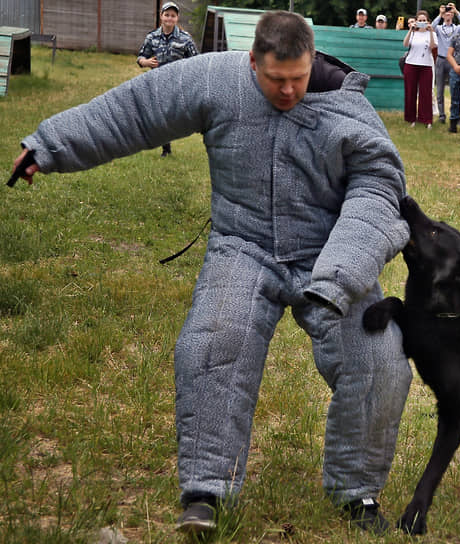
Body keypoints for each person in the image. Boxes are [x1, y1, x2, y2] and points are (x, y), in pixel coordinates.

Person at [12, 10, 412, 537]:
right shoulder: (215, 79)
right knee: (212, 344)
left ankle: (356, 493)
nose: (288, 90)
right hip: (242, 247)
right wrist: (49, 146)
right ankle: (206, 491)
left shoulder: (349, 109)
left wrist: (339, 275)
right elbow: (136, 110)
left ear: (311, 61)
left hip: (331, 255)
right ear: (252, 62)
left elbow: (380, 192)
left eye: (297, 78)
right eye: (275, 80)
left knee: (380, 358)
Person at [136, 1, 198, 157]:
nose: (169, 18)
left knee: (173, 116)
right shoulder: (152, 37)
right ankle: (166, 148)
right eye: (167, 15)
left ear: (177, 18)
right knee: (161, 116)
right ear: (161, 16)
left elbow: (197, 62)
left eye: (173, 15)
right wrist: (146, 62)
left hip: (178, 83)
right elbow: (141, 57)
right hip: (158, 83)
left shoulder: (185, 39)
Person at [403, 11, 437, 128]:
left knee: (425, 93)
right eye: (420, 20)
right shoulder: (413, 33)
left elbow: (433, 46)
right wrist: (410, 30)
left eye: (424, 20)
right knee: (410, 91)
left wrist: (431, 32)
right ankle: (410, 118)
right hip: (411, 63)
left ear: (428, 21)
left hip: (426, 65)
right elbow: (405, 44)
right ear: (416, 21)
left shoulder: (431, 33)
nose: (422, 22)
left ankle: (426, 119)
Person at [432, 4, 460, 123]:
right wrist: (440, 14)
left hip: (452, 59)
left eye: (450, 13)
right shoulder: (439, 28)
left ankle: (455, 116)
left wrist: (456, 11)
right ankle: (442, 115)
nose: (448, 14)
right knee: (439, 89)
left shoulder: (457, 28)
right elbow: (432, 27)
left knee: (455, 89)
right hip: (440, 59)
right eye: (446, 12)